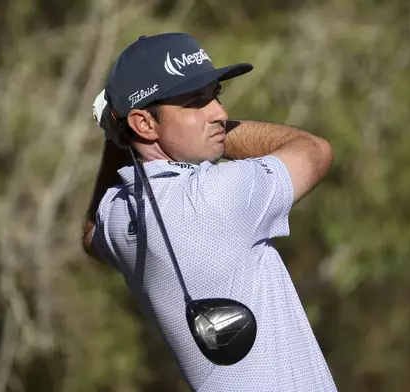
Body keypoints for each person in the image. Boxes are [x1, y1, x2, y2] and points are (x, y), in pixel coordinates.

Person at [82, 32, 337, 391]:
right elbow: (314, 151)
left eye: (215, 96)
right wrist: (220, 135)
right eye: (195, 102)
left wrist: (119, 136)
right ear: (145, 124)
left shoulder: (120, 212)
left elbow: (92, 236)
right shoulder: (215, 196)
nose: (220, 113)